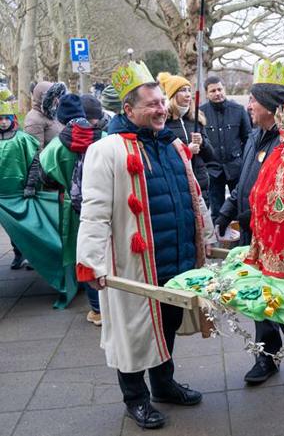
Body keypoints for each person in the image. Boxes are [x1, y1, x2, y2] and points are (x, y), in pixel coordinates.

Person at [76, 60, 214, 429]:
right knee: (133, 333)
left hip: (177, 260)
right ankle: (135, 399)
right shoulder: (106, 151)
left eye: (161, 102)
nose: (161, 109)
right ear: (128, 109)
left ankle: (164, 385)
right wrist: (90, 262)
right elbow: (94, 212)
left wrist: (207, 238)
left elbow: (193, 197)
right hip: (133, 265)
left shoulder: (174, 145)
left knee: (166, 325)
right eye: (151, 104)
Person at [215, 60, 284, 395]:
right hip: (252, 235)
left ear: (272, 108)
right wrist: (226, 212)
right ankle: (267, 358)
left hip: (281, 240)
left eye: (254, 101)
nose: (249, 106)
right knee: (259, 299)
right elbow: (244, 183)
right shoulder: (255, 136)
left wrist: (253, 216)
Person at [26, 94, 107, 324]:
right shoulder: (105, 138)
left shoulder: (55, 146)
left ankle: (97, 309)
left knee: (85, 255)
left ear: (61, 119)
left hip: (74, 210)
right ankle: (114, 305)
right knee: (109, 252)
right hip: (107, 204)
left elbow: (45, 178)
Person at [199, 75, 251, 222]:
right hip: (213, 171)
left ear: (224, 89)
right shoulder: (200, 113)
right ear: (206, 94)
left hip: (236, 168)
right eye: (213, 91)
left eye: (220, 89)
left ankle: (239, 234)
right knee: (217, 211)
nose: (217, 93)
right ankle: (220, 234)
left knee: (239, 207)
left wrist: (244, 162)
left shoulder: (238, 110)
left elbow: (248, 139)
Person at [159, 72, 215, 205]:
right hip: (179, 185)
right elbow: (162, 157)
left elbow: (210, 157)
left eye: (189, 90)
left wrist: (202, 143)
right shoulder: (163, 123)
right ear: (173, 95)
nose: (188, 94)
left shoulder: (196, 119)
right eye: (183, 90)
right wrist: (186, 151)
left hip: (201, 186)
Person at [0, 96, 40, 270]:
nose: (3, 122)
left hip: (21, 191)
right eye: (0, 119)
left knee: (26, 225)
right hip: (3, 194)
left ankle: (32, 255)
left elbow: (34, 163)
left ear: (13, 119)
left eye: (6, 118)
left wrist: (30, 185)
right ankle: (18, 253)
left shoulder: (22, 139)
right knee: (10, 227)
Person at [24, 81, 62, 151]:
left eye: (57, 96)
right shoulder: (34, 120)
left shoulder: (51, 114)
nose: (57, 100)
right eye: (53, 97)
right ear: (43, 98)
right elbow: (36, 151)